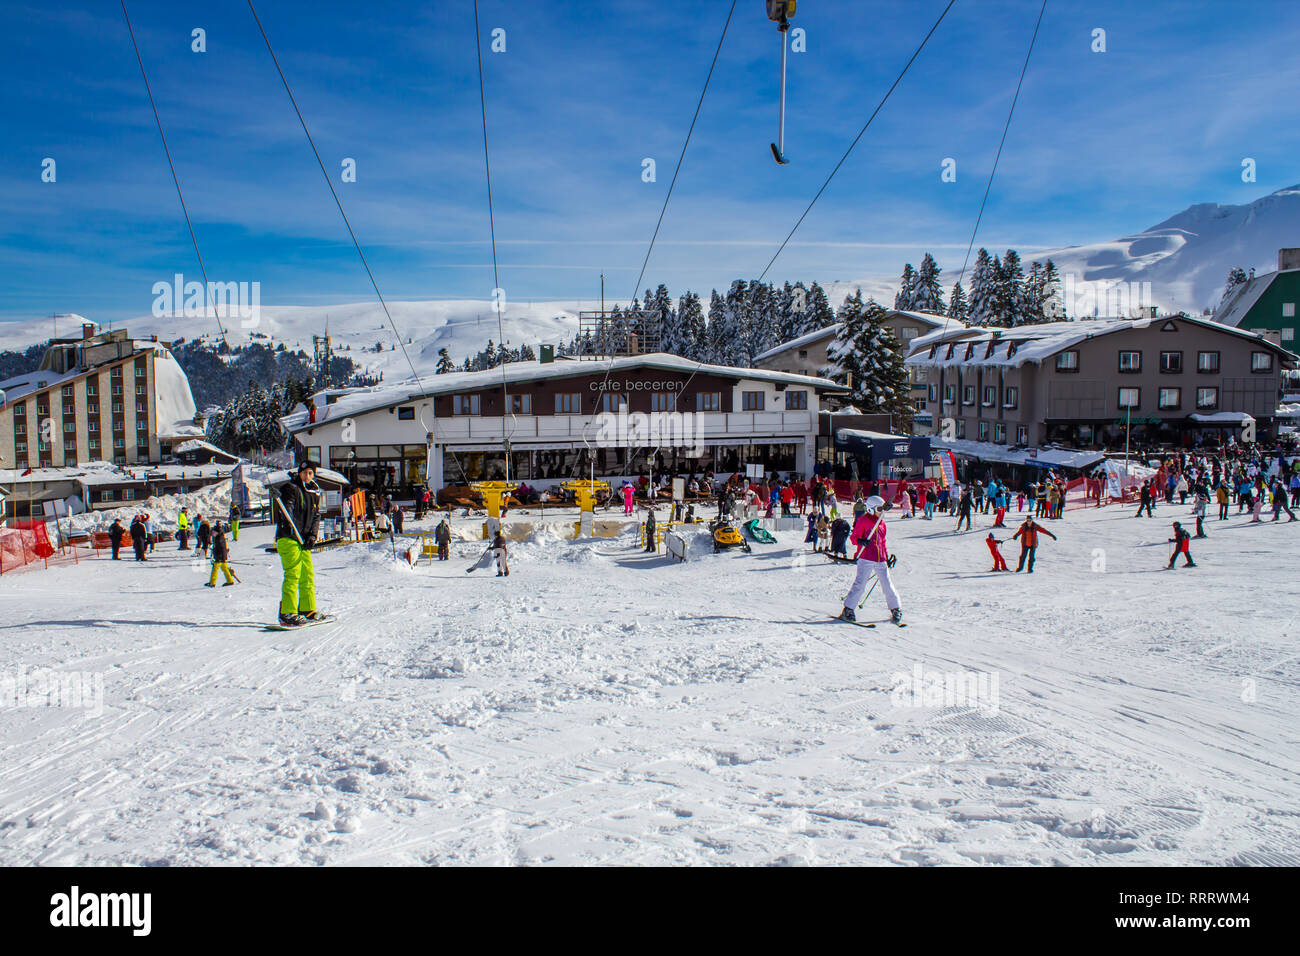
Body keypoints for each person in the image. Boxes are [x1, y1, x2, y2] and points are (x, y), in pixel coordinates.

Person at [840, 496, 903, 625]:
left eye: (882, 509)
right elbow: (853, 538)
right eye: (879, 509)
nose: (881, 512)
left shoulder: (882, 523)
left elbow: (882, 542)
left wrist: (886, 556)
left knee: (887, 584)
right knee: (860, 583)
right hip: (866, 557)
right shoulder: (864, 520)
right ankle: (848, 609)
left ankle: (895, 607)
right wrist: (860, 541)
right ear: (870, 509)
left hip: (880, 558)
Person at [274, 463, 323, 627]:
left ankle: (306, 609)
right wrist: (290, 526)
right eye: (304, 473)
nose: (307, 476)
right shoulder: (291, 488)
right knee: (293, 574)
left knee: (307, 574)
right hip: (289, 537)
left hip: (303, 540)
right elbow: (287, 507)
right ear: (299, 473)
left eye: (310, 473)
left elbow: (316, 516)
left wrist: (312, 536)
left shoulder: (314, 493)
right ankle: (288, 612)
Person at [206, 522, 236, 587]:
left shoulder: (219, 538)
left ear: (217, 532)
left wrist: (219, 557)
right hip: (222, 556)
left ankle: (212, 583)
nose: (212, 534)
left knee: (215, 569)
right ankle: (230, 580)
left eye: (213, 532)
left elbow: (221, 548)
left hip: (220, 556)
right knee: (225, 568)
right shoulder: (218, 537)